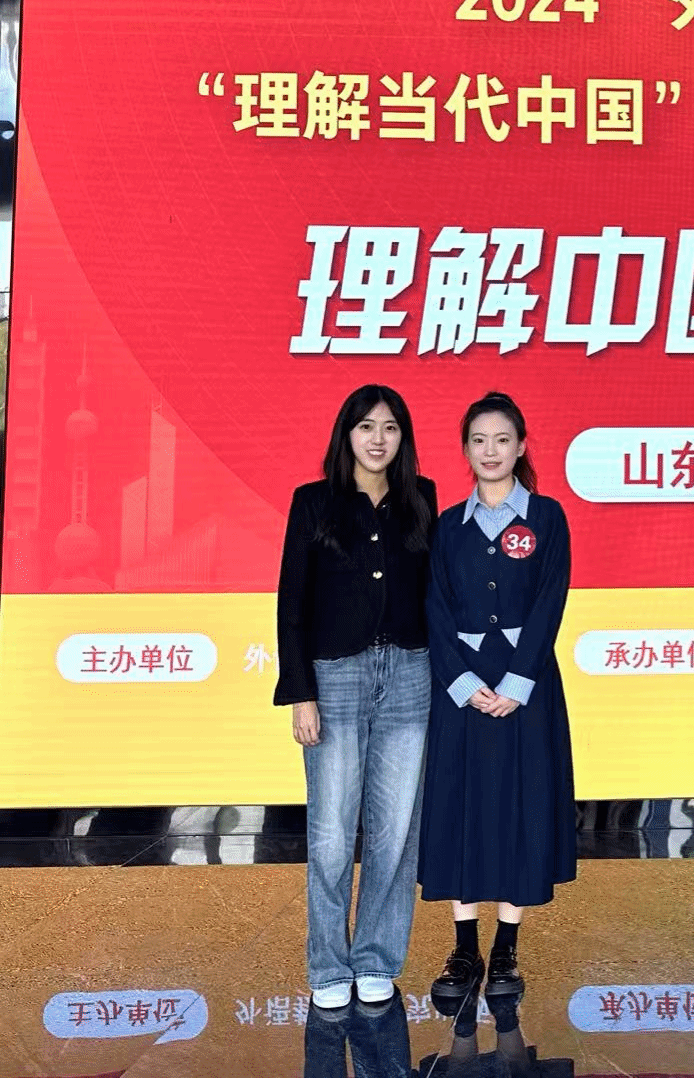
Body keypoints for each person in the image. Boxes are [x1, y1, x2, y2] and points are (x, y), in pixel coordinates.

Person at [275, 385, 438, 1010]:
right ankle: (327, 967)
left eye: (390, 427)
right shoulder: (314, 502)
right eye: (366, 426)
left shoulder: (421, 499)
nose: (378, 438)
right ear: (346, 434)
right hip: (335, 677)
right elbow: (292, 603)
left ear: (403, 438)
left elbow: (434, 594)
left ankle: (376, 959)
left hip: (411, 674)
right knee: (332, 832)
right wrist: (301, 692)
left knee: (395, 830)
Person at [420, 392, 575, 1004]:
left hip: (525, 685)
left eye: (502, 440)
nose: (490, 451)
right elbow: (433, 607)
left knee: (520, 806)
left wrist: (517, 683)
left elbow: (550, 601)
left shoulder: (547, 517)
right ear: (465, 449)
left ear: (521, 446)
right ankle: (465, 948)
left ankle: (507, 947)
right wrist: (460, 682)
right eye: (479, 440)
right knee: (459, 805)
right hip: (460, 687)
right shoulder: (446, 526)